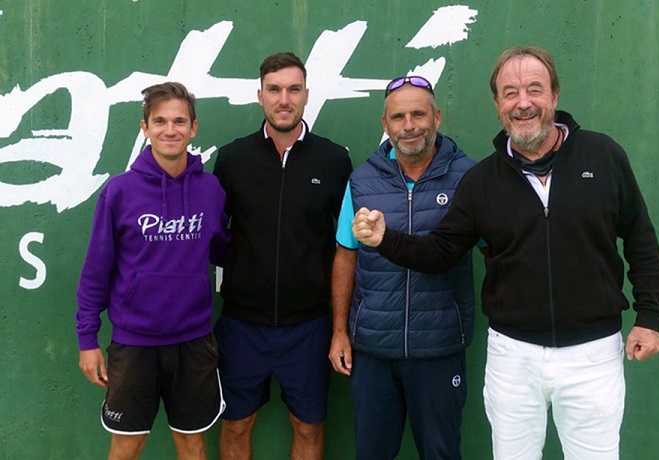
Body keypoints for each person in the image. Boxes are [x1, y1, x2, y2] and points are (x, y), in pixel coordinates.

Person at [353, 46, 659, 460]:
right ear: (498, 104)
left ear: (555, 95)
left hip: (593, 354)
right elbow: (441, 252)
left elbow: (639, 236)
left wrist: (649, 317)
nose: (523, 103)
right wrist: (384, 240)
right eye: (510, 92)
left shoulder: (603, 156)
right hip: (512, 356)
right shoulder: (482, 180)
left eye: (534, 90)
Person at [75, 81, 229, 460]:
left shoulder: (210, 190)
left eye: (179, 121)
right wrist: (87, 339)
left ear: (193, 128)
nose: (170, 130)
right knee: (126, 447)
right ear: (145, 128)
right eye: (159, 121)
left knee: (192, 443)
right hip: (134, 344)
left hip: (193, 341)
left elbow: (226, 251)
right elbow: (96, 269)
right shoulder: (120, 191)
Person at [212, 52, 352, 460]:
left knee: (308, 427)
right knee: (236, 424)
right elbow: (213, 235)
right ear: (260, 96)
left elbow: (346, 245)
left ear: (306, 95)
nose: (284, 99)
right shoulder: (234, 159)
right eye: (274, 90)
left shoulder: (333, 159)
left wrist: (339, 325)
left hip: (308, 326)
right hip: (241, 325)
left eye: (293, 89)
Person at [329, 76, 476, 460]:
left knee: (442, 454)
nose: (409, 125)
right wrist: (340, 331)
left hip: (439, 348)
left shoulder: (469, 178)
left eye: (418, 114)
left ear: (437, 117)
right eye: (398, 117)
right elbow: (346, 254)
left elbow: (498, 251)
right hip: (374, 351)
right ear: (385, 124)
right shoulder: (361, 180)